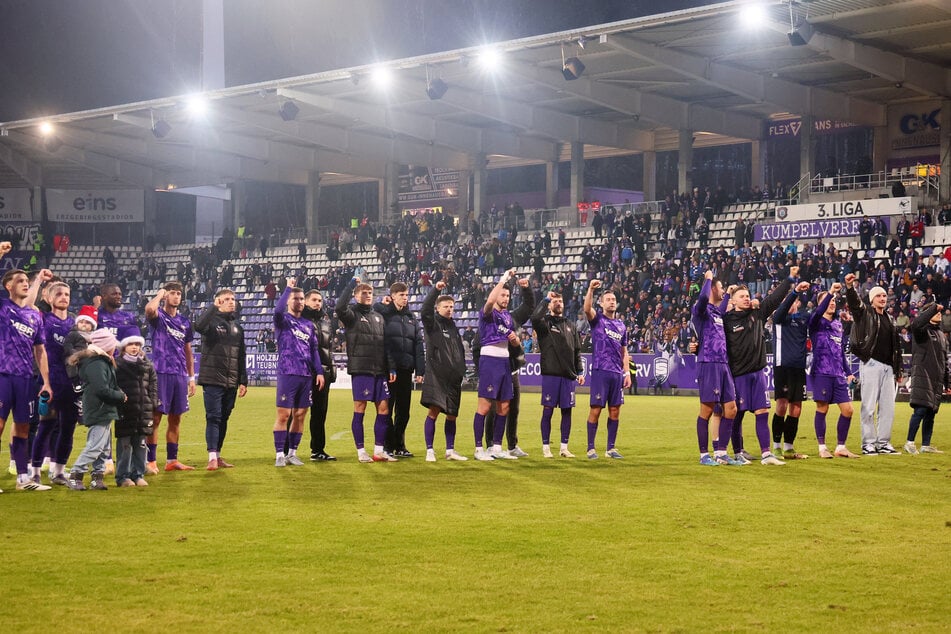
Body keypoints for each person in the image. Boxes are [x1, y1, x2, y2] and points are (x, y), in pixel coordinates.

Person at [723, 268, 796, 466]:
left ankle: (766, 455)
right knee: (736, 416)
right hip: (738, 376)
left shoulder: (757, 313)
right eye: (742, 296)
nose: (747, 299)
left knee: (762, 412)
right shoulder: (726, 320)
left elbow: (773, 299)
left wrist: (789, 280)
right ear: (733, 301)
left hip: (758, 374)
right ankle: (738, 452)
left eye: (748, 295)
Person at [0, 257, 54, 492]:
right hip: (2, 375)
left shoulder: (34, 316)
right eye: (20, 280)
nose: (25, 283)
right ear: (8, 286)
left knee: (23, 427)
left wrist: (46, 382)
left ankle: (23, 478)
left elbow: (40, 351)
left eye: (26, 280)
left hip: (26, 379)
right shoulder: (3, 307)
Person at [471, 269, 531, 461]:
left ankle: (497, 447)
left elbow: (513, 344)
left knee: (504, 406)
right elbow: (489, 302)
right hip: (489, 360)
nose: (505, 298)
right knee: (485, 406)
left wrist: (515, 341)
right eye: (502, 295)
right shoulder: (487, 313)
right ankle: (479, 448)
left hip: (505, 361)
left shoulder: (507, 317)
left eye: (507, 295)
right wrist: (504, 279)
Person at [336, 277, 392, 462]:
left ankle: (378, 451)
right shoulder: (352, 314)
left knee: (384, 409)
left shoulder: (378, 317)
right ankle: (361, 452)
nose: (367, 295)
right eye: (364, 293)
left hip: (380, 370)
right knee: (360, 408)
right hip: (362, 369)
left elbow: (385, 344)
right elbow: (339, 308)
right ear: (356, 295)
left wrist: (390, 367)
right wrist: (351, 283)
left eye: (370, 293)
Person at [28, 281, 79, 485]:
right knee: (46, 426)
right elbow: (27, 304)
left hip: (72, 384)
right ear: (48, 298)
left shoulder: (75, 324)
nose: (64, 297)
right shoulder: (42, 318)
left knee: (68, 427)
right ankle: (35, 472)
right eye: (58, 294)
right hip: (48, 382)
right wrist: (39, 279)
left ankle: (58, 472)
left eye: (67, 294)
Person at [845, 274, 902, 454]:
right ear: (872, 299)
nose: (883, 298)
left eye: (884, 296)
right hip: (871, 364)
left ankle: (883, 443)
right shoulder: (866, 313)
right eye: (879, 296)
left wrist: (897, 368)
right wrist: (849, 287)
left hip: (888, 367)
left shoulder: (890, 319)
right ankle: (868, 443)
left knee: (888, 408)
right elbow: (855, 304)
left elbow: (896, 347)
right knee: (868, 406)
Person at [144, 282, 196, 472]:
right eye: (172, 293)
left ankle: (172, 460)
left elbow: (188, 351)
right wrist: (160, 294)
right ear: (166, 296)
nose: (176, 296)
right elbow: (150, 309)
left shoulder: (185, 322)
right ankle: (150, 460)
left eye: (178, 293)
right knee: (155, 417)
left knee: (176, 418)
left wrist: (191, 377)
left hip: (180, 375)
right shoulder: (159, 317)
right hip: (160, 373)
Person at [193, 288, 247, 470]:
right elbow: (198, 326)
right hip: (213, 379)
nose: (232, 301)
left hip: (231, 381)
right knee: (214, 417)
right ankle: (211, 457)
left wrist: (243, 381)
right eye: (227, 299)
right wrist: (212, 308)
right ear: (218, 302)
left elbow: (241, 355)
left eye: (233, 299)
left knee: (224, 418)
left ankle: (217, 455)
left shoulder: (237, 327)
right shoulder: (212, 322)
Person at [66, 329, 126, 491]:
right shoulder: (97, 363)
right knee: (95, 446)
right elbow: (101, 389)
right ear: (107, 346)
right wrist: (120, 396)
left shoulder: (99, 361)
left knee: (103, 448)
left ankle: (96, 478)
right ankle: (75, 475)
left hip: (102, 408)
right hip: (99, 407)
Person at [273, 280, 324, 467]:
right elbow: (277, 311)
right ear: (288, 300)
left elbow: (314, 350)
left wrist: (319, 372)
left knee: (301, 414)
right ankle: (280, 454)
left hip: (305, 375)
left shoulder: (308, 325)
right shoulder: (283, 320)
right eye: (295, 298)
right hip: (288, 372)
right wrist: (287, 289)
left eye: (302, 299)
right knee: (284, 415)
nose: (299, 302)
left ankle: (292, 453)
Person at [691, 270, 738, 466]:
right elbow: (703, 298)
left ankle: (721, 452)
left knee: (731, 409)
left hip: (723, 364)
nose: (721, 291)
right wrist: (708, 278)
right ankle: (704, 455)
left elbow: (724, 304)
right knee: (707, 409)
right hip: (708, 362)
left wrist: (728, 293)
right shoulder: (700, 310)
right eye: (719, 288)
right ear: (712, 289)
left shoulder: (718, 312)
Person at [809, 284, 860, 459]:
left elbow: (840, 352)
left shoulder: (838, 324)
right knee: (822, 408)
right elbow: (818, 312)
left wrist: (849, 372)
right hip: (822, 371)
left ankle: (840, 447)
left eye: (833, 300)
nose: (832, 303)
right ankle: (822, 447)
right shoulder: (815, 322)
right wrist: (830, 292)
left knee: (848, 410)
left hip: (838, 374)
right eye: (828, 301)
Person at [419, 280, 468, 462]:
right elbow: (424, 311)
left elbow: (459, 351)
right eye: (446, 306)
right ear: (438, 308)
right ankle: (430, 450)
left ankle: (450, 450)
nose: (449, 309)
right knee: (433, 411)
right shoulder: (433, 324)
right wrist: (435, 290)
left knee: (452, 415)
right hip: (437, 376)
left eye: (452, 306)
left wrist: (461, 370)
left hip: (453, 378)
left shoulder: (453, 326)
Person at [532, 290, 585, 458]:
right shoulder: (544, 324)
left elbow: (577, 351)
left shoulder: (571, 325)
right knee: (548, 411)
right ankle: (546, 447)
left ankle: (564, 448)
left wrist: (580, 371)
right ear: (549, 305)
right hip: (551, 374)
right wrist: (546, 297)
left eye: (560, 301)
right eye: (554, 301)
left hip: (568, 376)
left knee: (567, 411)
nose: (558, 303)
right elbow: (534, 318)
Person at [375, 282, 425, 458]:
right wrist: (384, 304)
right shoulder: (385, 314)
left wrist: (420, 370)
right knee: (388, 408)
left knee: (404, 410)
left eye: (406, 295)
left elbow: (418, 343)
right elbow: (374, 309)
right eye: (401, 295)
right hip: (390, 369)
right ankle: (388, 445)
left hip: (406, 368)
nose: (405, 298)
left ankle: (400, 444)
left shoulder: (412, 317)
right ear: (393, 295)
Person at [583, 279, 631, 459]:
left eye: (613, 299)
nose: (612, 301)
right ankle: (590, 448)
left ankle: (611, 448)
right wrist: (590, 289)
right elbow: (587, 309)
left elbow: (624, 351)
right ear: (602, 303)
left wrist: (626, 372)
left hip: (617, 373)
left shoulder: (621, 326)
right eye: (608, 299)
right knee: (596, 409)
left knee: (615, 410)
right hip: (600, 371)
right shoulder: (597, 320)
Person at [95, 282, 138, 476]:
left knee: (124, 418)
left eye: (120, 293)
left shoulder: (128, 317)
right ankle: (105, 459)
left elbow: (135, 345)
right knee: (104, 418)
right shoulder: (96, 317)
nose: (119, 296)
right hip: (102, 373)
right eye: (114, 293)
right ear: (103, 296)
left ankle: (126, 461)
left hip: (123, 374)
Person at [771, 281, 812, 459]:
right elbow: (781, 310)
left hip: (799, 368)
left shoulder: (802, 319)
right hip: (783, 367)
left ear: (798, 303)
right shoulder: (779, 318)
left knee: (796, 408)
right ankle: (776, 445)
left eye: (793, 301)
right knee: (781, 405)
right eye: (787, 301)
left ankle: (789, 447)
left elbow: (818, 315)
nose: (789, 304)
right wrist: (794, 292)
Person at [114, 325, 157, 487]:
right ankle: (122, 476)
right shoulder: (117, 365)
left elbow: (153, 385)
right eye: (131, 344)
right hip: (126, 411)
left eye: (137, 345)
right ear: (124, 346)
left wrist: (152, 401)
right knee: (125, 446)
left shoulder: (147, 365)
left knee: (140, 445)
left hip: (143, 411)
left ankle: (138, 474)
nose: (134, 348)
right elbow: (114, 385)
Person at [903, 299, 947, 455]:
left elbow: (944, 360)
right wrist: (933, 306)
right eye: (936, 312)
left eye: (940, 312)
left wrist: (947, 382)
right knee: (920, 410)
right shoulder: (922, 332)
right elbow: (916, 324)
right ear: (929, 314)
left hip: (936, 378)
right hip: (923, 375)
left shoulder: (941, 334)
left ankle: (925, 445)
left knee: (930, 413)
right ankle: (909, 442)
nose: (939, 314)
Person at [302, 290, 336, 461]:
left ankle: (318, 450)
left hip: (324, 374)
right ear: (306, 302)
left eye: (320, 300)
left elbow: (328, 349)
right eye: (314, 300)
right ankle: (285, 450)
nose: (318, 303)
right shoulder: (299, 320)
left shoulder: (325, 321)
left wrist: (331, 369)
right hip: (305, 373)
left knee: (320, 414)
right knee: (296, 413)